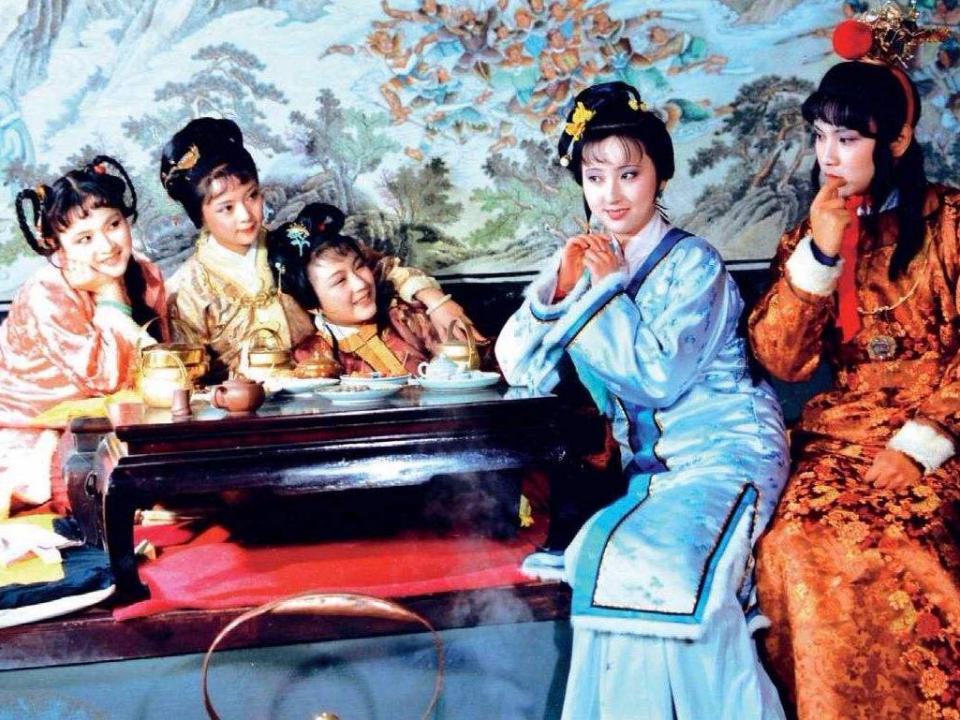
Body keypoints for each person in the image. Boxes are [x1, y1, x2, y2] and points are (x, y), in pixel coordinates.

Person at [495, 81, 788, 720]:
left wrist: (603, 292)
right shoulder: (588, 259)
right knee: (611, 561)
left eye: (629, 174)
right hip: (652, 471)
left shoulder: (695, 264)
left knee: (661, 568)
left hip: (728, 452)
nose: (612, 195)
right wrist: (560, 289)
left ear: (660, 176)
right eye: (595, 177)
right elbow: (519, 366)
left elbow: (656, 379)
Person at [747, 11, 959, 718]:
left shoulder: (952, 224)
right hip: (840, 437)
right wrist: (820, 254)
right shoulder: (810, 234)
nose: (828, 156)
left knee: (898, 545)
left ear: (896, 139)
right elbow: (782, 360)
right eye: (820, 136)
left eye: (848, 138)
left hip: (941, 434)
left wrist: (924, 444)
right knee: (794, 542)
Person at [161, 117, 469, 382]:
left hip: (329, 389)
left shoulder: (294, 242)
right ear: (200, 216)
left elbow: (382, 269)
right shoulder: (186, 290)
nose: (246, 215)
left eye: (252, 195)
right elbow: (187, 376)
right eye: (226, 208)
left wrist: (436, 302)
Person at [0, 157, 166, 518]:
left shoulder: (147, 274)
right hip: (33, 431)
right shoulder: (47, 293)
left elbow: (162, 366)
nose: (106, 245)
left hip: (117, 422)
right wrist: (110, 293)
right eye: (85, 239)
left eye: (114, 224)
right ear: (57, 247)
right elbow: (108, 379)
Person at [269, 203, 492, 376]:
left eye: (359, 266)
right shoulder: (311, 357)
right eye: (340, 281)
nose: (361, 284)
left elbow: (480, 365)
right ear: (312, 303)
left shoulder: (404, 317)